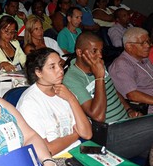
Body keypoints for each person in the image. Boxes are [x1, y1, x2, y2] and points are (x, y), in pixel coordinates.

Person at [63, 31, 153, 159]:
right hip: (107, 135)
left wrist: (129, 109)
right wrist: (99, 77)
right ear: (79, 52)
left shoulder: (99, 65)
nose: (99, 55)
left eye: (101, 50)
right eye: (94, 51)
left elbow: (112, 89)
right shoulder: (72, 79)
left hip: (126, 123)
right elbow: (98, 116)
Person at [17, 48, 92, 156]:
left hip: (79, 150)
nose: (60, 70)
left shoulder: (64, 92)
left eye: (60, 65)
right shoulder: (29, 103)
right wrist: (75, 135)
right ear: (38, 72)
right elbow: (47, 150)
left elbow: (87, 133)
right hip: (57, 160)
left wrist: (72, 99)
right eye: (52, 67)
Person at [109, 27, 153, 113]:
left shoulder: (144, 58)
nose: (148, 45)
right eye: (142, 43)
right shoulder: (122, 65)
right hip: (148, 108)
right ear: (129, 46)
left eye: (148, 41)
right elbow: (132, 95)